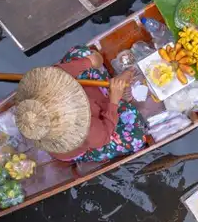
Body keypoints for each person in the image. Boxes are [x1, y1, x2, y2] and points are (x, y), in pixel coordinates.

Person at [13, 46, 147, 162]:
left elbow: (58, 72)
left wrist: (91, 61)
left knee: (80, 53)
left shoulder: (44, 85)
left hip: (88, 98)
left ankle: (106, 90)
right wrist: (115, 100)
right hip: (91, 132)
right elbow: (104, 136)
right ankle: (113, 96)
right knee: (136, 137)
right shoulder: (82, 127)